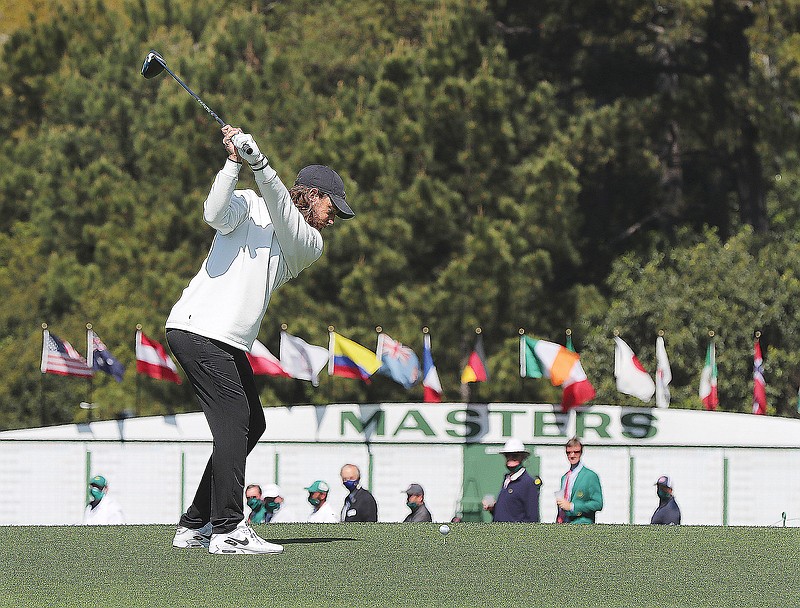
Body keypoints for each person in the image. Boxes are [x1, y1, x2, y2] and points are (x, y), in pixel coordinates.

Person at [167, 126, 354, 555]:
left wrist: (259, 163)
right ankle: (229, 527)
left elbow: (284, 214)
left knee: (252, 423)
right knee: (235, 421)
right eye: (332, 206)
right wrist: (235, 163)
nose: (333, 217)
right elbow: (214, 213)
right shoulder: (250, 203)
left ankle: (196, 523)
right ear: (312, 194)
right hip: (199, 328)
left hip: (222, 339)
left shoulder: (308, 243)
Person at [490, 438, 541, 523]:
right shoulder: (507, 480)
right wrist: (493, 509)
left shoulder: (528, 483)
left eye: (514, 455)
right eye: (507, 455)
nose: (510, 458)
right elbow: (508, 513)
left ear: (523, 457)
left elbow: (532, 517)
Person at [555, 436, 603, 524]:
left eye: (576, 452)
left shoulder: (590, 476)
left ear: (581, 453)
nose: (572, 455)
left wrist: (572, 506)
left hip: (582, 524)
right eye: (568, 452)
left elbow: (598, 504)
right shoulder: (565, 477)